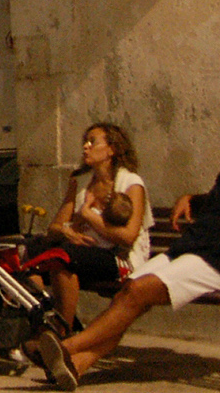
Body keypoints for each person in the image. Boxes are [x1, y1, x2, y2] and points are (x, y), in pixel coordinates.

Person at [36, 110, 220, 391]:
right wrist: (190, 198)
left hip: (219, 263)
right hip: (184, 253)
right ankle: (76, 366)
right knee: (128, 296)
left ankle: (66, 347)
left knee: (135, 293)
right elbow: (216, 204)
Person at [27, 123, 152, 332]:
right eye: (85, 141)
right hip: (79, 253)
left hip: (118, 258)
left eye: (92, 142)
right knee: (29, 252)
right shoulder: (80, 181)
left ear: (111, 149)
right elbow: (55, 227)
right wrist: (66, 231)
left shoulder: (131, 184)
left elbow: (128, 237)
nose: (85, 146)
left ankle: (63, 333)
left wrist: (88, 215)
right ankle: (37, 325)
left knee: (63, 258)